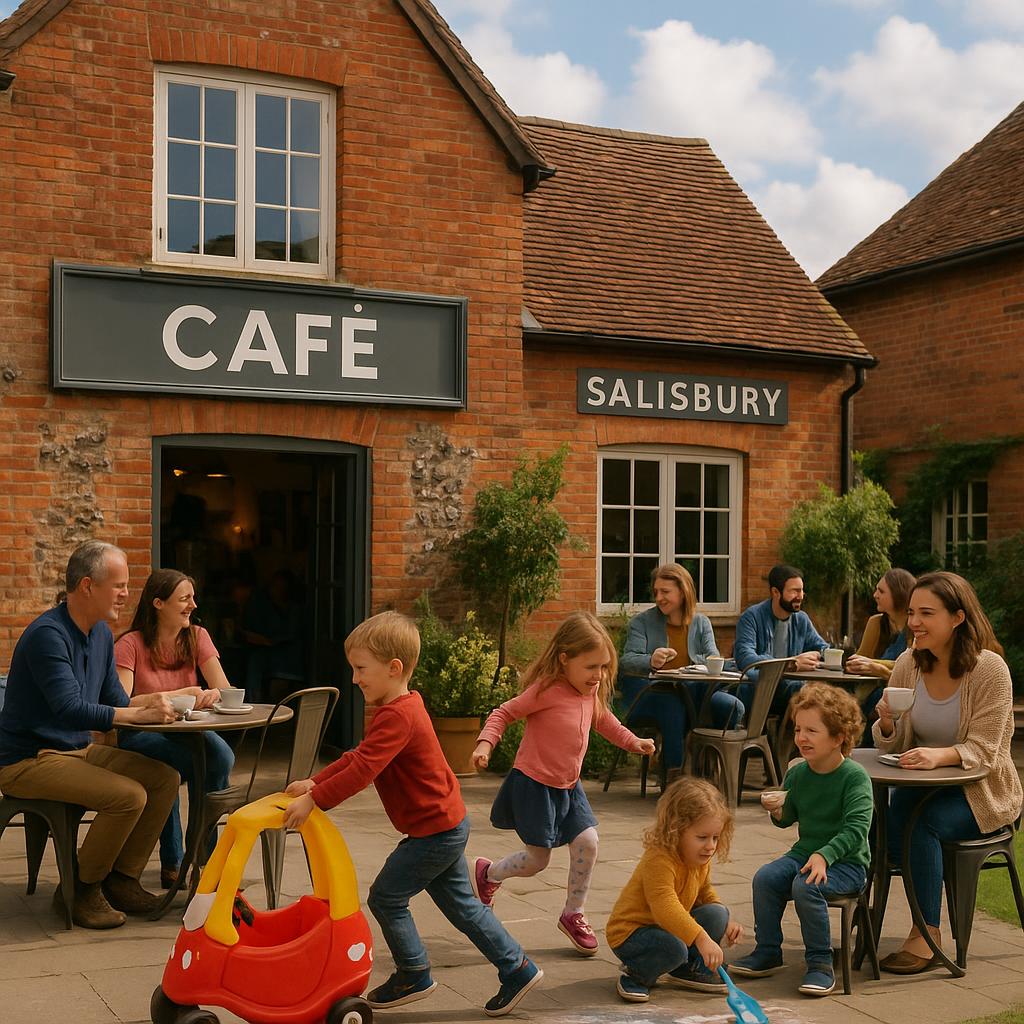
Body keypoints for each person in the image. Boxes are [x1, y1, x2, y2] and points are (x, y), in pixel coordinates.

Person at [281, 611, 544, 1018]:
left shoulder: (398, 716)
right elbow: (358, 758)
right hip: (443, 824)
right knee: (463, 906)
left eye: (360, 669)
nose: (354, 679)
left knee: (385, 897)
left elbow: (363, 771)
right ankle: (518, 969)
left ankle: (413, 972)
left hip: (435, 832)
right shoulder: (400, 707)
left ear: (394, 668)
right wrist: (315, 783)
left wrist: (315, 801)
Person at [0, 541, 179, 929]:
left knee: (164, 778)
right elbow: (70, 709)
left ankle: (121, 879)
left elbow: (116, 700)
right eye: (119, 585)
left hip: (75, 750)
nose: (127, 594)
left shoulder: (99, 635)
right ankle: (80, 890)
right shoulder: (48, 635)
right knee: (128, 796)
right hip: (29, 759)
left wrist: (173, 702)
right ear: (87, 586)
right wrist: (138, 713)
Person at [470, 612, 656, 957]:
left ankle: (573, 913)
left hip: (569, 787)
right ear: (564, 659)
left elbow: (605, 721)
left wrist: (633, 741)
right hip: (534, 785)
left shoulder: (591, 691)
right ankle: (489, 873)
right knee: (537, 861)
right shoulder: (546, 691)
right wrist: (485, 744)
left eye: (603, 667)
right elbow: (503, 713)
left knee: (588, 841)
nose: (598, 675)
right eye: (591, 667)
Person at [873, 571, 1022, 975]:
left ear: (957, 617)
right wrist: (887, 724)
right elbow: (896, 742)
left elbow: (987, 752)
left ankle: (927, 935)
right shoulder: (908, 663)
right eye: (911, 613)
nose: (914, 622)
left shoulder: (990, 670)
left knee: (919, 823)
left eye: (926, 613)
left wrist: (938, 757)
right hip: (923, 787)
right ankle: (864, 916)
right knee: (877, 814)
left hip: (983, 793)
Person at [731, 683, 873, 997]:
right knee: (765, 878)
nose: (801, 738)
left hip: (847, 864)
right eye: (798, 729)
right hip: (806, 854)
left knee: (805, 885)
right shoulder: (799, 774)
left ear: (838, 737)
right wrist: (778, 810)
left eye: (811, 730)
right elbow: (788, 818)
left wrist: (825, 856)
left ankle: (821, 963)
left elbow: (856, 830)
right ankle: (768, 951)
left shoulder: (854, 777)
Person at [114, 568, 236, 889]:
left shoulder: (197, 636)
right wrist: (180, 695)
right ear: (158, 603)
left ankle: (204, 859)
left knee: (220, 758)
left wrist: (212, 694)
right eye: (184, 599)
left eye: (192, 598)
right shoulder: (131, 644)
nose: (193, 605)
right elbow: (121, 702)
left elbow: (224, 688)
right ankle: (175, 860)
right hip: (142, 733)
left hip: (188, 729)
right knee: (175, 764)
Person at [606, 776, 743, 1004]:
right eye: (702, 837)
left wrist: (727, 922)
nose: (710, 846)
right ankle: (637, 975)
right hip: (633, 934)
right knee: (675, 949)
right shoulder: (659, 858)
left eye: (715, 838)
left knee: (717, 912)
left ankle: (687, 969)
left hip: (667, 930)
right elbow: (664, 907)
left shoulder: (699, 856)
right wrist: (701, 938)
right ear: (676, 829)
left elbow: (704, 892)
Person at [618, 563, 744, 774]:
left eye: (665, 592)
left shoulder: (701, 622)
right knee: (674, 705)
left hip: (696, 691)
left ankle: (707, 764)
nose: (659, 597)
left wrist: (696, 666)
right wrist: (651, 660)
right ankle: (673, 772)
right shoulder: (641, 623)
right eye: (656, 592)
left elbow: (713, 657)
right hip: (652, 693)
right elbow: (627, 660)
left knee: (732, 706)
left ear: (683, 592)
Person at [733, 564, 828, 713]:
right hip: (759, 690)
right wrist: (790, 664)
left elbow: (821, 646)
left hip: (790, 687)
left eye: (802, 590)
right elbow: (745, 658)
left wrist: (823, 654)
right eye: (794, 591)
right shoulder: (751, 617)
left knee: (827, 692)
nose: (801, 596)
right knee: (803, 692)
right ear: (775, 592)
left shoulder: (801, 619)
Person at [845, 568, 916, 743]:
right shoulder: (876, 623)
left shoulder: (916, 626)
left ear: (899, 594)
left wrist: (877, 667)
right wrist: (856, 664)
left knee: (881, 700)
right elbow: (861, 660)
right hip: (869, 691)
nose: (875, 594)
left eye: (881, 591)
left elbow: (912, 670)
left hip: (902, 695)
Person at [241, 569, 304, 702]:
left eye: (282, 588)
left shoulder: (294, 611)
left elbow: (290, 634)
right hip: (267, 655)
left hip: (288, 659)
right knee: (255, 661)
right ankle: (253, 702)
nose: (277, 591)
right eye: (275, 587)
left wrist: (270, 641)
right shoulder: (263, 607)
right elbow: (250, 632)